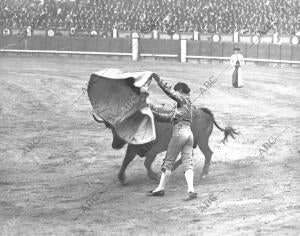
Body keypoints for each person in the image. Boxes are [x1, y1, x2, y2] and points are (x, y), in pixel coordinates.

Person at [147, 73, 197, 200]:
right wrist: (152, 113)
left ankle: (160, 188)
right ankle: (191, 189)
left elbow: (169, 92)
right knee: (188, 162)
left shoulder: (182, 98)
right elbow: (169, 118)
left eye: (176, 92)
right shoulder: (188, 105)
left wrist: (159, 80)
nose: (175, 95)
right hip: (189, 134)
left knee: (168, 161)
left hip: (179, 132)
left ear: (180, 91)